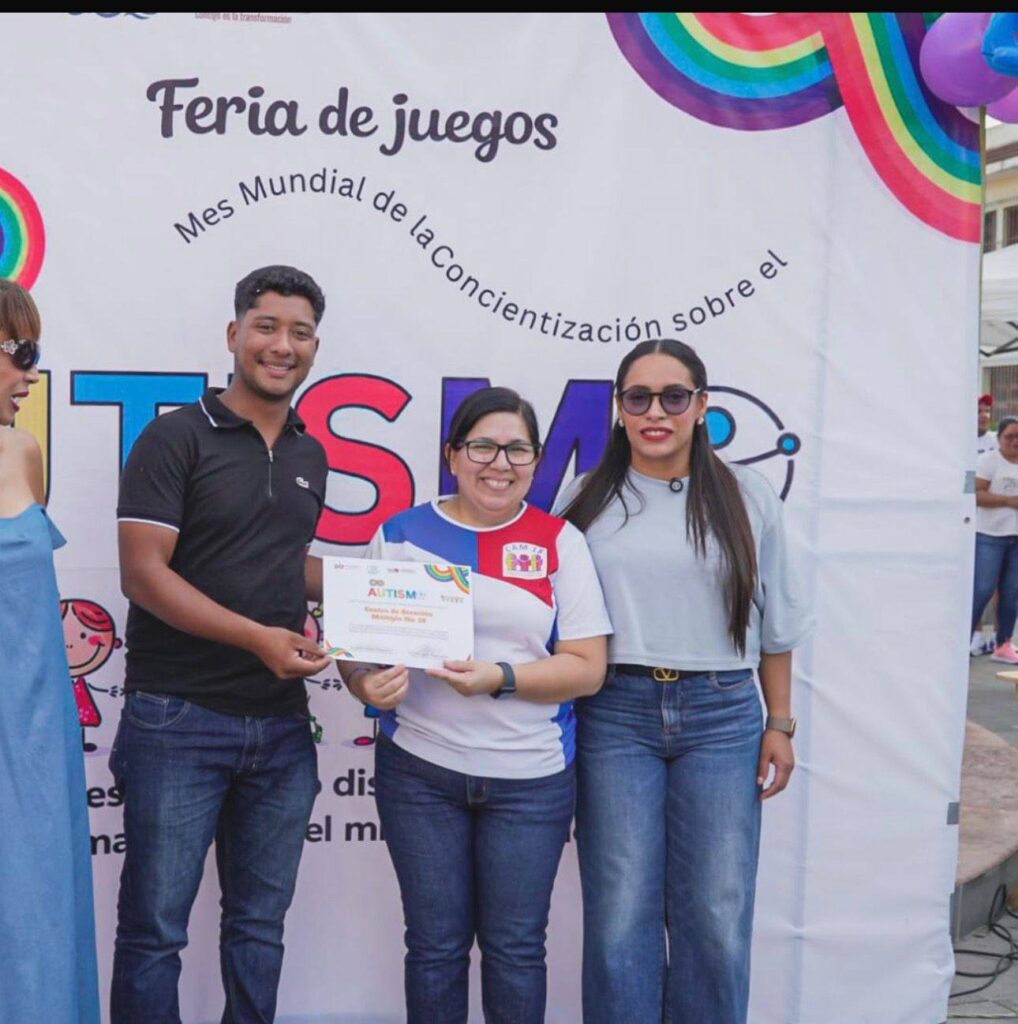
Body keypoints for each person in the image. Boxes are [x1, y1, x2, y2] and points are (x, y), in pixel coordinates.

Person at [557, 338, 811, 1024]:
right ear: (619, 409)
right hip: (615, 709)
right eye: (638, 398)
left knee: (717, 911)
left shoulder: (747, 496)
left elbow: (778, 625)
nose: (656, 412)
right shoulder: (585, 496)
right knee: (620, 910)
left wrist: (780, 723)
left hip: (723, 712)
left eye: (674, 397)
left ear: (701, 406)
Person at [341, 386, 611, 1024]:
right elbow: (356, 649)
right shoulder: (401, 534)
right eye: (483, 446)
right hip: (420, 772)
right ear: (453, 455)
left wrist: (500, 677)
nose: (500, 463)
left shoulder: (559, 542)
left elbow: (587, 668)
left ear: (537, 459)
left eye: (518, 450)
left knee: (515, 951)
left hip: (530, 779)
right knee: (434, 948)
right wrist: (362, 683)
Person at [110, 266, 334, 1024]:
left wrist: (395, 594)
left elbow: (283, 562)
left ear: (315, 347)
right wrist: (256, 638)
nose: (282, 345)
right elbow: (144, 574)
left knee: (259, 929)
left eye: (300, 332)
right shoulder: (174, 437)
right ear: (235, 334)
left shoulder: (308, 453)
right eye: (266, 326)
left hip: (281, 726)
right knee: (154, 934)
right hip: (177, 718)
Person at [0, 280, 100, 1023]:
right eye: (22, 351)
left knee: (35, 916)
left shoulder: (24, 450)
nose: (33, 373)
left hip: (33, 729)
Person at [972, 416, 1018, 665]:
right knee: (982, 589)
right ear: (998, 438)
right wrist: (1008, 501)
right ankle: (964, 639)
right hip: (989, 535)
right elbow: (977, 494)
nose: (1015, 441)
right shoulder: (988, 461)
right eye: (1009, 436)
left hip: (1016, 539)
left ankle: (1004, 643)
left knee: (1012, 592)